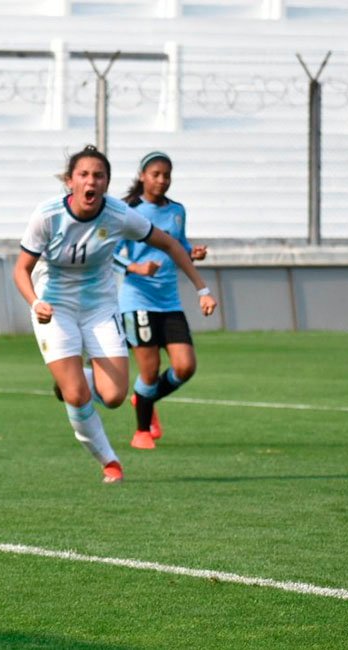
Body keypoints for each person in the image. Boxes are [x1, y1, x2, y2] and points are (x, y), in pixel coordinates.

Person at [12, 145, 217, 484]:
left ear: (106, 182)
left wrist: (202, 288)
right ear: (70, 181)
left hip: (99, 310)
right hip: (54, 309)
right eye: (83, 174)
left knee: (114, 396)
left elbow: (168, 243)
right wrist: (35, 302)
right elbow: (21, 269)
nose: (91, 181)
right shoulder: (48, 215)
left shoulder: (119, 214)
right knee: (76, 396)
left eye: (98, 175)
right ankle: (110, 461)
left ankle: (78, 377)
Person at [114, 151, 209, 450]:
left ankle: (143, 398)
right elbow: (109, 251)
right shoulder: (128, 210)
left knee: (185, 366)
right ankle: (142, 431)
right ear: (143, 176)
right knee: (150, 370)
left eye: (166, 175)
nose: (162, 180)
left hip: (169, 301)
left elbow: (177, 244)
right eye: (155, 174)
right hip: (137, 298)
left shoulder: (177, 211)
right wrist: (135, 267)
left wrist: (192, 251)